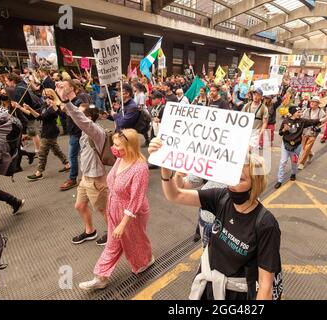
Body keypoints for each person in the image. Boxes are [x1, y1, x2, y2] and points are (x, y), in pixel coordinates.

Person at [148, 139, 282, 300]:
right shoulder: (221, 197)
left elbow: (265, 286)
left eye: (239, 179)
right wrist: (165, 169)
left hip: (236, 295)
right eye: (231, 176)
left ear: (255, 184)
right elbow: (175, 194)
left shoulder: (266, 225)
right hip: (209, 286)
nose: (231, 183)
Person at [79, 129, 154, 290]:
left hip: (132, 214)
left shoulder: (140, 168)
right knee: (113, 243)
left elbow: (136, 199)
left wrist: (123, 223)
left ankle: (145, 261)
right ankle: (101, 277)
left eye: (117, 145)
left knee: (135, 241)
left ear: (129, 146)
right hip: (114, 208)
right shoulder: (121, 159)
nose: (113, 147)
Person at [56, 81, 108, 246]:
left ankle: (113, 234)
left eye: (81, 113)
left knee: (103, 209)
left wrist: (66, 102)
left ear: (89, 118)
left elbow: (78, 118)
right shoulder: (85, 132)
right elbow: (75, 116)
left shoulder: (95, 131)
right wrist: (60, 97)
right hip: (86, 177)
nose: (76, 115)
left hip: (95, 179)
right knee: (79, 205)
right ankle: (90, 231)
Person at [22, 88, 70, 181]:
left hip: (50, 131)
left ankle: (39, 173)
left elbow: (43, 117)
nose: (45, 98)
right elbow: (38, 115)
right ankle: (67, 164)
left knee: (42, 152)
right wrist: (29, 108)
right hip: (45, 130)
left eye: (47, 96)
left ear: (52, 96)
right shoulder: (45, 105)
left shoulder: (54, 106)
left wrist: (52, 105)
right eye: (44, 96)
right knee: (56, 150)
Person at [274, 106, 324, 189]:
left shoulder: (302, 121)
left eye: (300, 112)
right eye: (298, 112)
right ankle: (279, 180)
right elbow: (280, 133)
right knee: (283, 162)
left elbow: (312, 121)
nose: (300, 113)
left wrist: (321, 120)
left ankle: (293, 173)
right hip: (286, 145)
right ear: (293, 113)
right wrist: (284, 130)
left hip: (296, 146)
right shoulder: (285, 121)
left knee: (294, 162)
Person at [298, 96, 326, 170]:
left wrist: (319, 127)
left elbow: (324, 122)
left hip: (313, 132)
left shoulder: (321, 112)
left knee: (307, 147)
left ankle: (301, 163)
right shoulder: (307, 110)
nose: (312, 103)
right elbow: (302, 119)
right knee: (304, 147)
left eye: (314, 102)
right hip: (305, 131)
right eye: (312, 101)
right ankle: (310, 154)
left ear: (318, 104)